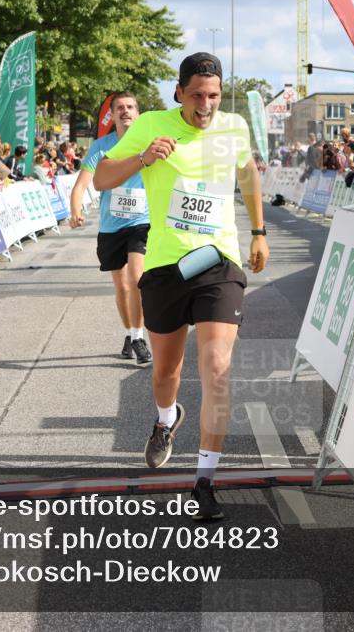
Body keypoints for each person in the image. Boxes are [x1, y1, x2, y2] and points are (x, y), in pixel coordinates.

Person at [95, 53, 269, 521]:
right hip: (167, 267)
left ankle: (204, 481)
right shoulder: (150, 123)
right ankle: (166, 418)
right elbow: (101, 177)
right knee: (166, 373)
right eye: (196, 95)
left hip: (218, 263)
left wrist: (258, 231)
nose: (205, 104)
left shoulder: (233, 127)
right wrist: (142, 157)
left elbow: (248, 174)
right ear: (179, 92)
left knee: (216, 368)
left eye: (213, 95)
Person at [69, 91, 153, 365]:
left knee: (136, 279)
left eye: (131, 107)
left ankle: (139, 337)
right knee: (121, 286)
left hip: (141, 221)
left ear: (138, 113)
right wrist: (75, 210)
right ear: (113, 114)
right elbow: (82, 184)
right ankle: (129, 332)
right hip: (111, 225)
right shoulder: (101, 147)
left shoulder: (148, 144)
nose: (126, 111)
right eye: (120, 108)